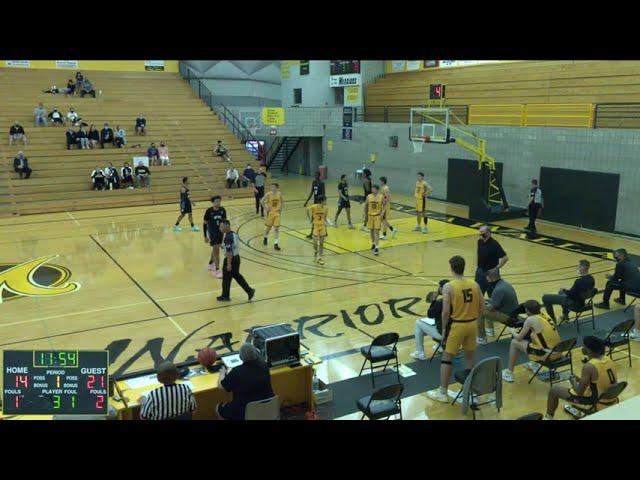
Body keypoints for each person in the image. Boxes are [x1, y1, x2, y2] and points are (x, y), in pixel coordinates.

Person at [427, 255, 484, 403]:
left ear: (452, 268)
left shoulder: (449, 286)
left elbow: (445, 312)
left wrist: (445, 329)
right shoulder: (475, 284)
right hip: (472, 324)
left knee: (447, 359)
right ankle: (471, 393)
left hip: (458, 325)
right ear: (463, 267)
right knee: (470, 359)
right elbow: (482, 308)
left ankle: (443, 392)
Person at [544, 336, 618, 419]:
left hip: (595, 402)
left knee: (554, 390)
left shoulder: (589, 366)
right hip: (611, 399)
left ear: (588, 349)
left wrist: (573, 381)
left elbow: (579, 392)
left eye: (583, 346)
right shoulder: (608, 360)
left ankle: (547, 418)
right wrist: (580, 379)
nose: (582, 347)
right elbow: (599, 380)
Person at [501, 299, 561, 383]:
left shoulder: (530, 320)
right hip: (558, 351)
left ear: (526, 310)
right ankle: (534, 364)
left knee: (514, 342)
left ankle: (509, 373)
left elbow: (518, 338)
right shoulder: (544, 315)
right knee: (534, 340)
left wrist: (512, 331)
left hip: (547, 355)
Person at [214, 343, 273, 420]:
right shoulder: (264, 366)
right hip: (269, 408)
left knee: (218, 408)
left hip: (245, 412)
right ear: (256, 354)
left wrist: (222, 374)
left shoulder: (237, 371)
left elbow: (221, 386)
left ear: (240, 357)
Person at [477, 268, 523, 344]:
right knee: (487, 304)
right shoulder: (504, 283)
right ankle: (490, 331)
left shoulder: (498, 289)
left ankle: (481, 338)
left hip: (509, 318)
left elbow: (491, 308)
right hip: (512, 313)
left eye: (487, 278)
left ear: (490, 277)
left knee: (480, 311)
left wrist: (480, 304)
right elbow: (495, 303)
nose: (486, 280)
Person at [217, 220, 256, 302]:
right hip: (236, 258)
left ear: (226, 226)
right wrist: (223, 246)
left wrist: (228, 263)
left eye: (221, 226)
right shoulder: (233, 234)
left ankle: (226, 296)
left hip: (231, 259)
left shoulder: (228, 237)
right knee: (236, 276)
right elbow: (232, 246)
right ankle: (249, 291)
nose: (220, 228)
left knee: (227, 278)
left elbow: (229, 252)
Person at [410, 279, 448, 361]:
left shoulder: (440, 302)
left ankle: (419, 352)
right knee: (437, 321)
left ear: (441, 289)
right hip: (456, 331)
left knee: (418, 323)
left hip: (444, 333)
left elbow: (430, 314)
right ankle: (440, 346)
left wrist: (434, 300)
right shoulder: (457, 299)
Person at [476, 225, 509, 296]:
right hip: (480, 271)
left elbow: (505, 258)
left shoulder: (494, 244)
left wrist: (497, 268)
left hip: (491, 273)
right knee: (478, 293)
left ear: (488, 233)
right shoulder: (480, 242)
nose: (480, 234)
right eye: (480, 232)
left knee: (492, 294)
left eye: (482, 232)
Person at [203, 195, 227, 277]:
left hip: (220, 233)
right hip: (212, 233)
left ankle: (210, 263)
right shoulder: (209, 211)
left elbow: (224, 223)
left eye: (219, 201)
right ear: (212, 202)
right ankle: (217, 270)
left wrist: (225, 233)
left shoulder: (223, 210)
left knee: (215, 248)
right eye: (216, 202)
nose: (218, 203)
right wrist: (205, 236)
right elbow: (205, 224)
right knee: (217, 251)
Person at [303, 171, 326, 238]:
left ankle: (324, 232)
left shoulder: (322, 183)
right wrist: (307, 201)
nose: (315, 176)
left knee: (322, 218)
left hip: (320, 203)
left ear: (319, 175)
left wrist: (323, 203)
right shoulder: (314, 182)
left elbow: (324, 194)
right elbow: (311, 192)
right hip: (315, 203)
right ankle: (311, 233)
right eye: (315, 175)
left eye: (316, 175)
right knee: (313, 218)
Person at [308, 195, 329, 265]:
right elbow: (307, 210)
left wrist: (326, 224)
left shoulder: (326, 208)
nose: (326, 202)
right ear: (322, 201)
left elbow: (325, 218)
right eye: (325, 200)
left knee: (321, 243)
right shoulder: (314, 206)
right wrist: (310, 219)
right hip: (316, 226)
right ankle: (316, 250)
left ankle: (320, 258)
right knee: (314, 243)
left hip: (322, 226)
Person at [364, 184, 384, 256]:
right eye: (372, 189)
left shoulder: (381, 197)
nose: (372, 190)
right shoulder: (369, 196)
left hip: (377, 216)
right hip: (370, 215)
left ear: (377, 190)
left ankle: (377, 247)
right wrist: (364, 213)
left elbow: (384, 206)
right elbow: (365, 205)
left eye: (373, 189)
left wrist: (382, 213)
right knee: (371, 231)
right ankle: (373, 243)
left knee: (377, 231)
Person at [262, 183, 283, 251]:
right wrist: (265, 208)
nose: (272, 188)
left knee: (276, 228)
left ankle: (275, 244)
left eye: (274, 187)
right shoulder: (268, 194)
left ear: (277, 188)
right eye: (271, 187)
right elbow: (262, 201)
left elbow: (282, 202)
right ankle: (265, 237)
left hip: (277, 213)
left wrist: (280, 209)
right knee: (268, 228)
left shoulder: (279, 194)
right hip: (270, 213)